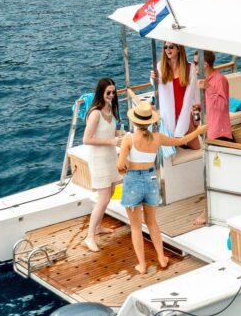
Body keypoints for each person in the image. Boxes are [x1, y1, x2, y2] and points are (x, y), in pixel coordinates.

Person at [117, 99, 204, 274]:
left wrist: (124, 171)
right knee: (152, 223)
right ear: (150, 121)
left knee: (136, 227)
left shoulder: (128, 139)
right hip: (151, 180)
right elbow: (180, 141)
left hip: (133, 180)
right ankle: (162, 258)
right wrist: (200, 130)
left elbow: (120, 165)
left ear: (134, 121)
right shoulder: (157, 138)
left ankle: (142, 265)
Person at [80, 77, 122, 253]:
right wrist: (111, 141)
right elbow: (86, 139)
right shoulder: (95, 113)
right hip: (99, 160)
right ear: (101, 93)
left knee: (111, 192)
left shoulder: (110, 108)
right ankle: (89, 236)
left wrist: (121, 134)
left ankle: (97, 228)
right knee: (104, 196)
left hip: (110, 157)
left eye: (113, 92)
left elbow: (110, 131)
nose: (111, 95)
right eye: (108, 93)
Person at [153, 42, 195, 139]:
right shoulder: (160, 67)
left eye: (171, 47)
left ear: (179, 49)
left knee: (195, 146)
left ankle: (180, 142)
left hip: (184, 112)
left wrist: (194, 108)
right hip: (168, 113)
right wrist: (153, 78)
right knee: (171, 143)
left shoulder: (189, 68)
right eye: (165, 47)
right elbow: (155, 83)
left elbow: (192, 92)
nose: (168, 50)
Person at [199, 50, 236, 144]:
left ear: (204, 64)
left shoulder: (220, 80)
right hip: (211, 131)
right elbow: (212, 103)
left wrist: (209, 88)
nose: (194, 66)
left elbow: (222, 105)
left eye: (196, 63)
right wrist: (200, 107)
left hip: (220, 133)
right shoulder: (206, 80)